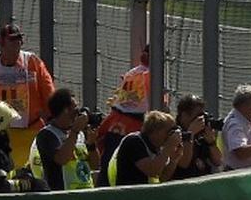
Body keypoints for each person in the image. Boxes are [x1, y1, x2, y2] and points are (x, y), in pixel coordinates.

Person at [0, 23, 55, 168]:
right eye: (12, 40)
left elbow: (48, 90)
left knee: (33, 172)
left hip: (31, 130)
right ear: (1, 43)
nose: (17, 44)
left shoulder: (32, 61)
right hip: (0, 134)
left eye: (19, 40)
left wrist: (53, 114)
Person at [95, 45, 154, 186]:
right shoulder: (151, 76)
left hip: (116, 122)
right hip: (136, 126)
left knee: (108, 166)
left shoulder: (133, 72)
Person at [28, 88, 100, 191]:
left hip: (85, 192)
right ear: (65, 110)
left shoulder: (80, 134)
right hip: (63, 195)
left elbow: (95, 165)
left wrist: (92, 144)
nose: (78, 113)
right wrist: (74, 131)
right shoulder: (47, 135)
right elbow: (61, 159)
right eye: (75, 109)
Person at [108, 110, 183, 186]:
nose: (171, 135)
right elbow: (153, 171)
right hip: (126, 194)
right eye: (169, 131)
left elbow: (162, 178)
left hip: (143, 195)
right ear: (156, 130)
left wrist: (174, 160)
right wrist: (168, 147)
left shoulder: (157, 149)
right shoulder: (134, 141)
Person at [170, 94, 223, 180]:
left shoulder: (200, 135)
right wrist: (190, 134)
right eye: (197, 116)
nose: (201, 120)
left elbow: (218, 161)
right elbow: (183, 163)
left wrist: (211, 143)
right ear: (184, 115)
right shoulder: (174, 134)